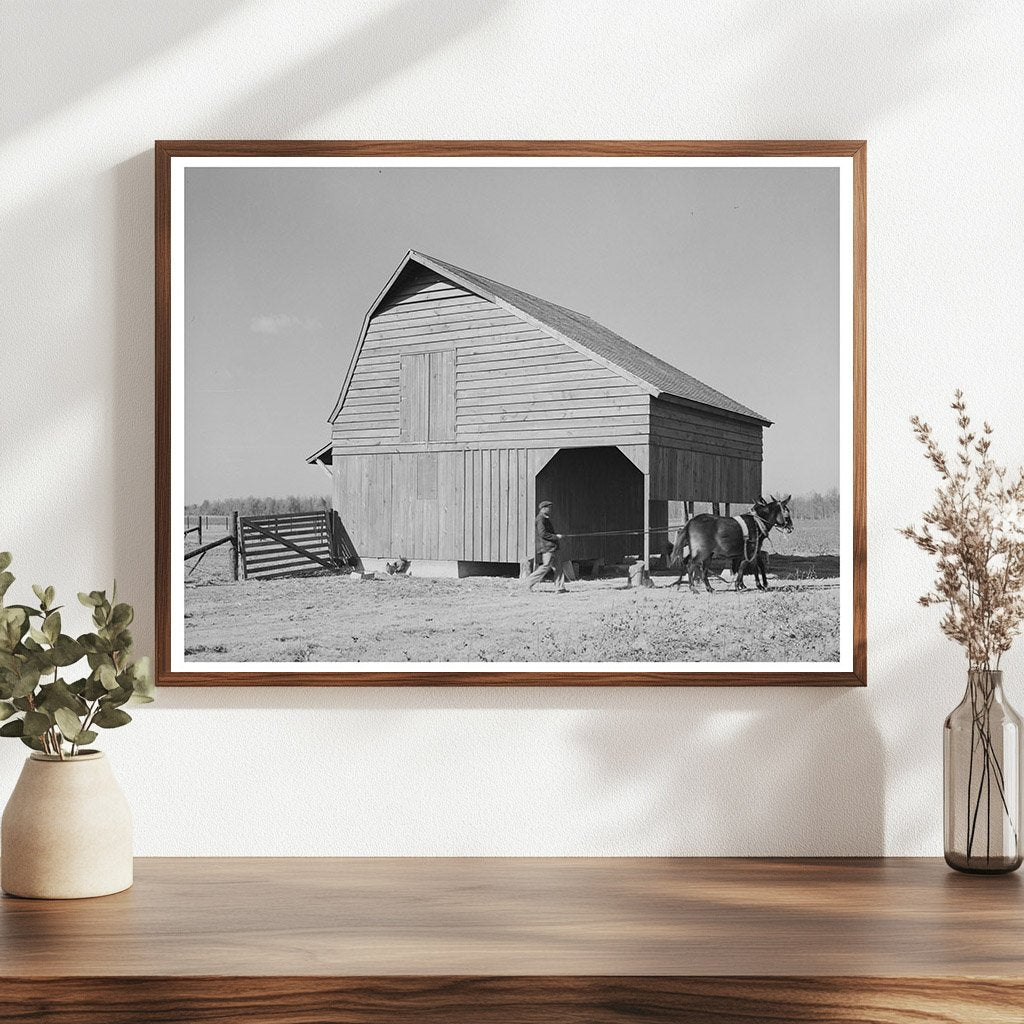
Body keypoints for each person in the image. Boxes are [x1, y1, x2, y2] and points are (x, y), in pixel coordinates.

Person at [525, 500, 567, 593]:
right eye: (549, 508)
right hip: (547, 547)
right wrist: (556, 537)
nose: (550, 509)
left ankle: (560, 588)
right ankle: (528, 582)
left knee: (558, 567)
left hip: (552, 547)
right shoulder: (541, 519)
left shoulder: (545, 518)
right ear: (543, 508)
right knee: (545, 567)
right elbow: (543, 534)